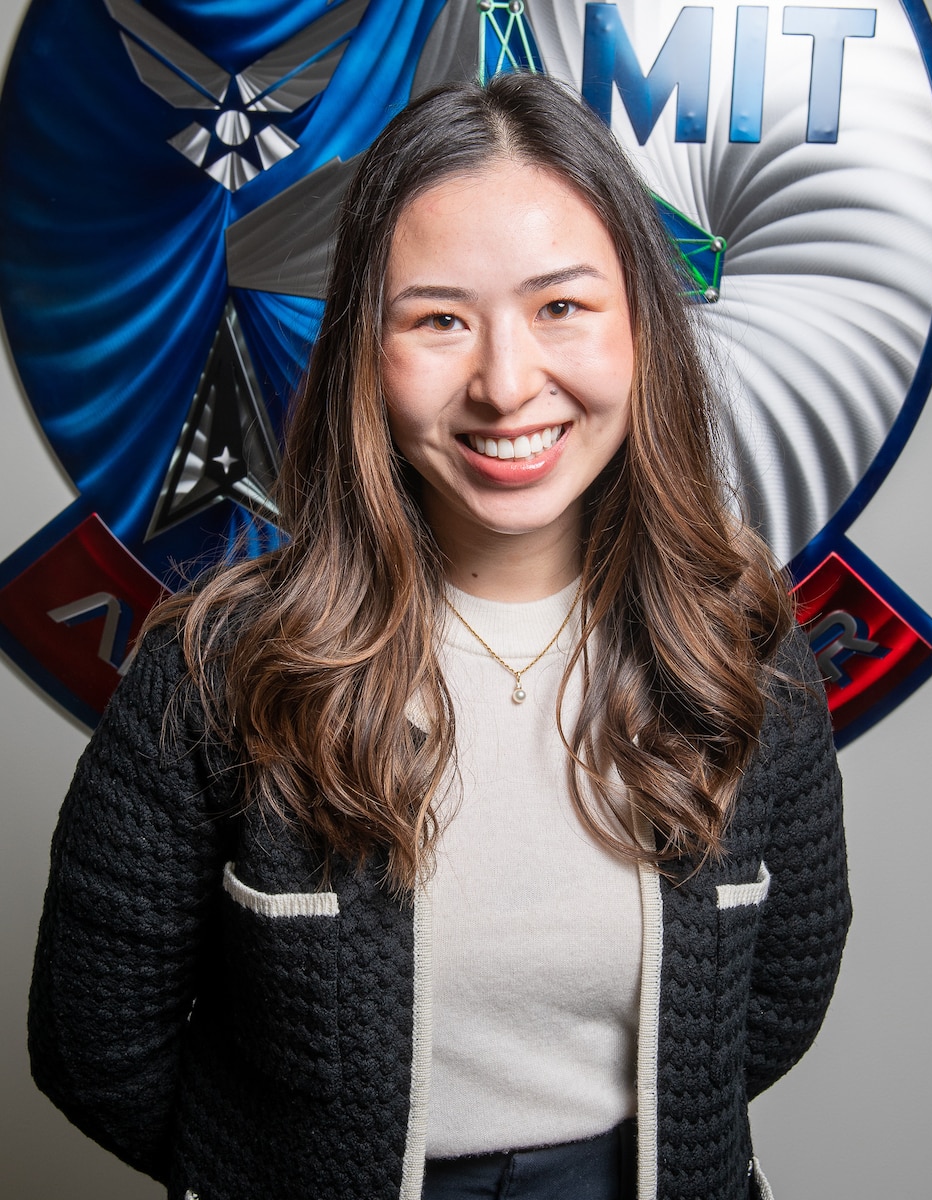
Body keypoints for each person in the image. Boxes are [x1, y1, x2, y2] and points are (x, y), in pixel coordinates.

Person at [28, 72, 850, 1200]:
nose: (507, 386)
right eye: (439, 319)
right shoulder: (215, 671)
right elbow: (97, 1045)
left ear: (644, 326)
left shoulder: (742, 646)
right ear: (367, 349)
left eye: (562, 306)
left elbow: (780, 995)